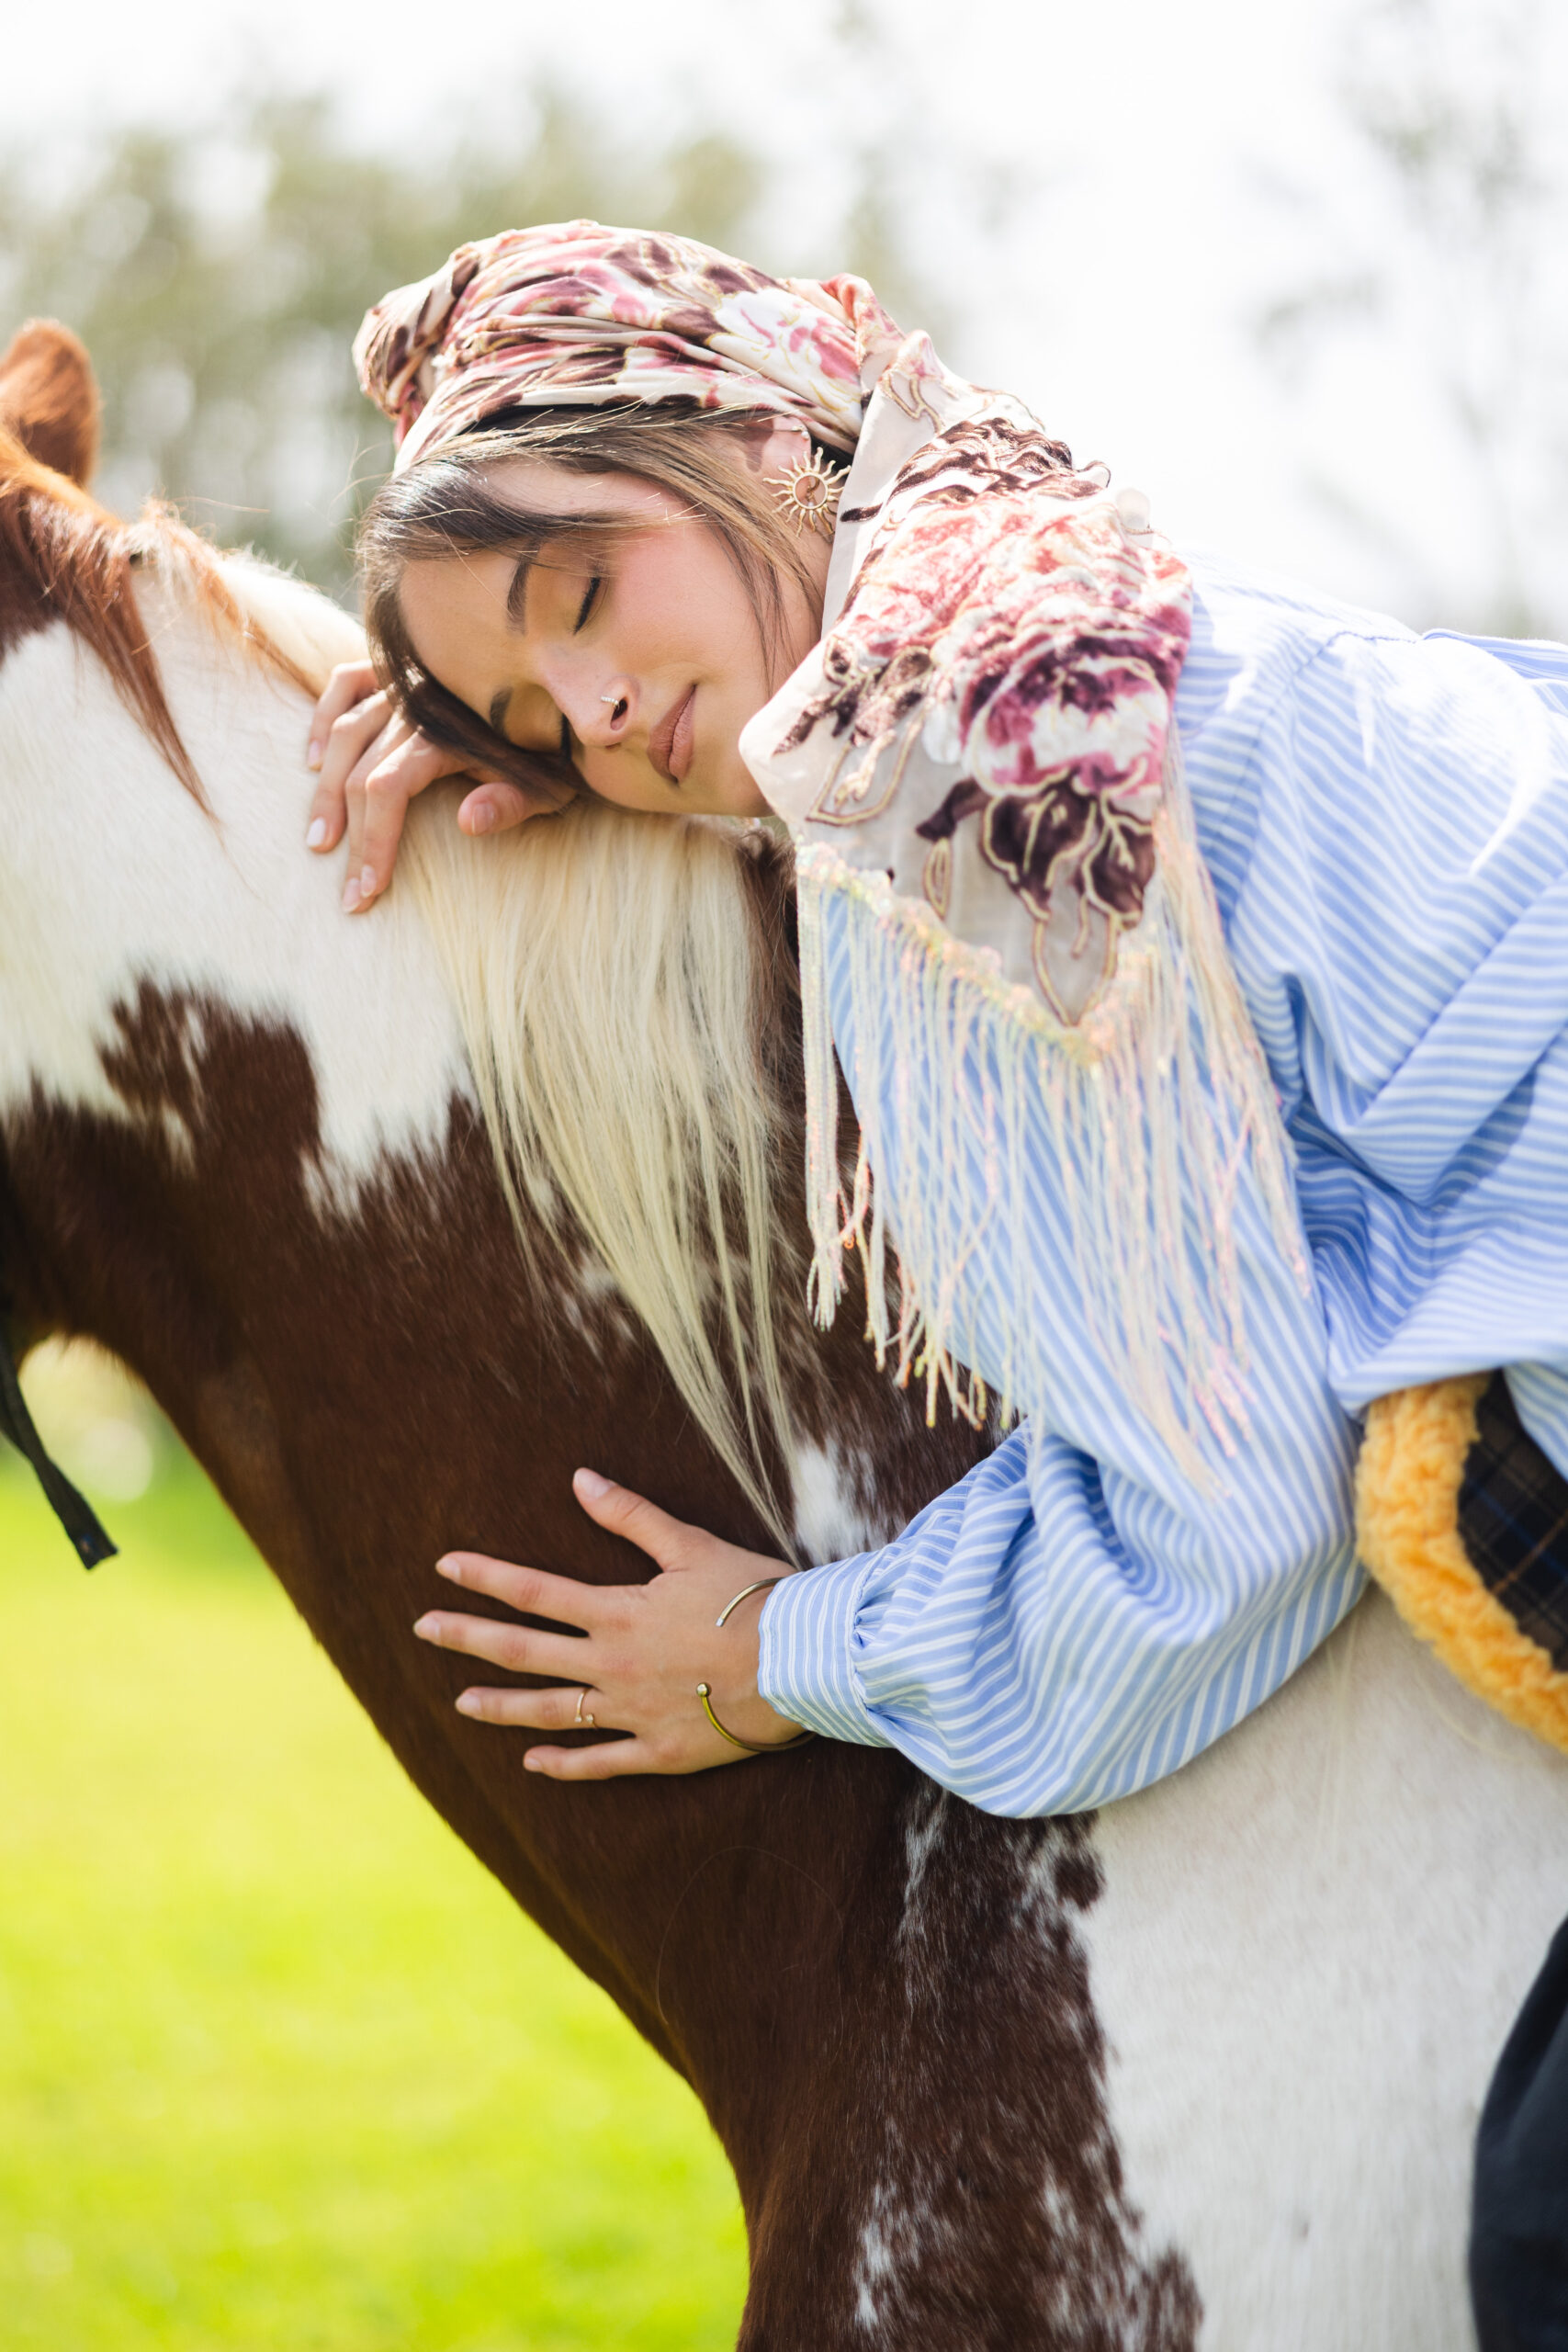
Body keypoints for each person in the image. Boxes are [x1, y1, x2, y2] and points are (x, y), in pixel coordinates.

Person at [308, 223, 1567, 2341]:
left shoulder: (955, 797)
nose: (602, 710)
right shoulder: (1048, 602)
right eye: (535, 719)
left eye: (583, 597)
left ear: (738, 441)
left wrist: (785, 1646)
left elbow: (1211, 1514)